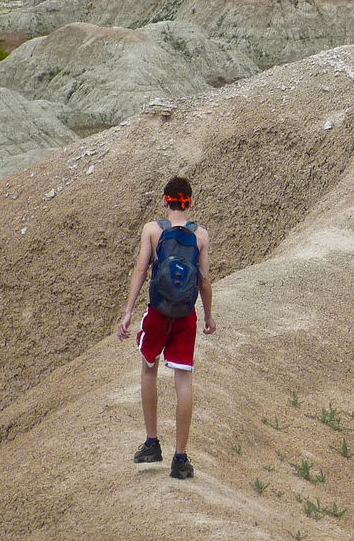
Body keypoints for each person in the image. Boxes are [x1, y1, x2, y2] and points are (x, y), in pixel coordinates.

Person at [117, 175, 216, 479]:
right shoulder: (201, 236)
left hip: (158, 313)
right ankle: (181, 458)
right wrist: (209, 316)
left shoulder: (152, 231)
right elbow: (204, 280)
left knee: (149, 369)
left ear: (165, 200)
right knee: (183, 382)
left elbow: (140, 270)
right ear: (189, 201)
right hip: (185, 316)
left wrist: (129, 311)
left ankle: (151, 443)